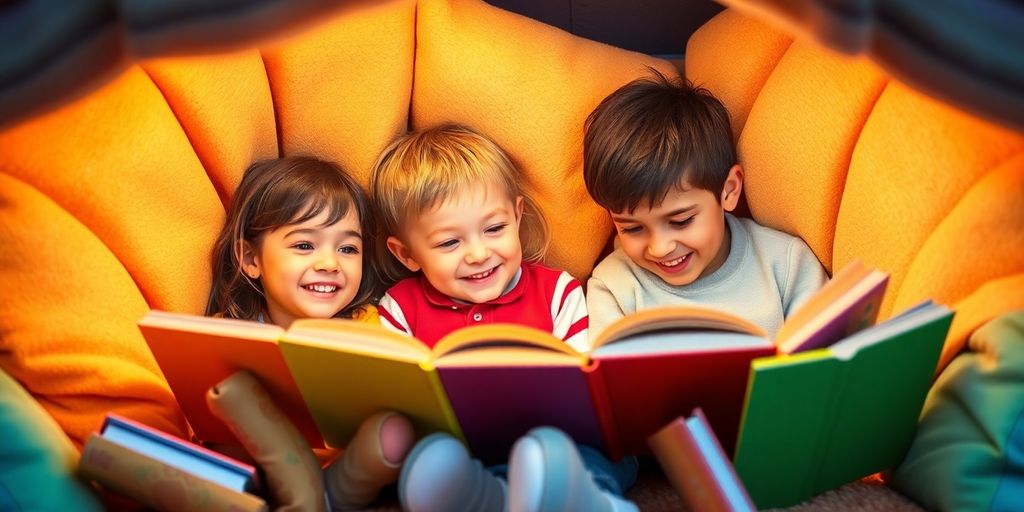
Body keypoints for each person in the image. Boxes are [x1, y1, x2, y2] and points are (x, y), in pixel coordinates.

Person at [370, 124, 638, 512]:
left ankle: (590, 501)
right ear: (406, 254)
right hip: (475, 452)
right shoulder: (399, 309)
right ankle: (492, 498)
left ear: (517, 215)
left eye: (494, 229)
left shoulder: (558, 291)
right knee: (433, 459)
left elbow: (583, 391)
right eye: (449, 242)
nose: (479, 254)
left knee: (569, 454)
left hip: (567, 447)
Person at [206, 156, 414, 510]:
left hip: (347, 480)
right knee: (235, 397)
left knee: (392, 434)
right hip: (263, 482)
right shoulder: (228, 332)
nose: (330, 264)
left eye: (348, 248)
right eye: (304, 245)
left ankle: (318, 499)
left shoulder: (368, 325)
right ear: (250, 259)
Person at [583, 70, 828, 338]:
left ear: (729, 190)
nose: (660, 247)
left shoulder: (787, 266)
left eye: (681, 221)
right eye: (632, 228)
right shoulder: (614, 286)